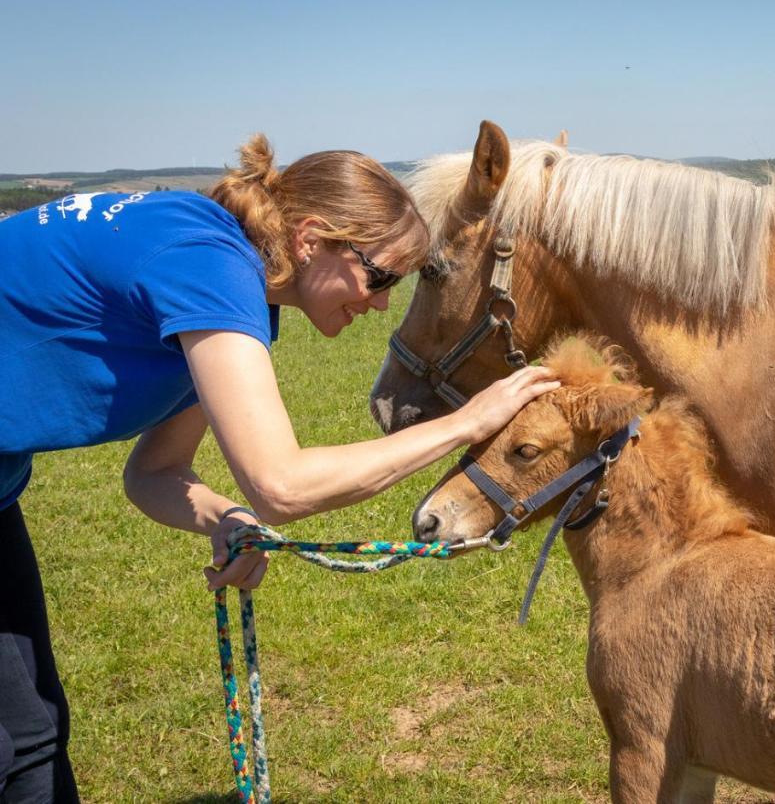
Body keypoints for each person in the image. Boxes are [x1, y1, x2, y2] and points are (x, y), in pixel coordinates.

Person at [0, 135, 559, 802]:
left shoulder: (226, 286)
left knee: (30, 731)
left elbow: (154, 470)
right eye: (378, 276)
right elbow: (281, 483)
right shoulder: (207, 266)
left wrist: (223, 516)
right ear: (312, 238)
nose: (380, 304)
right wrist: (467, 423)